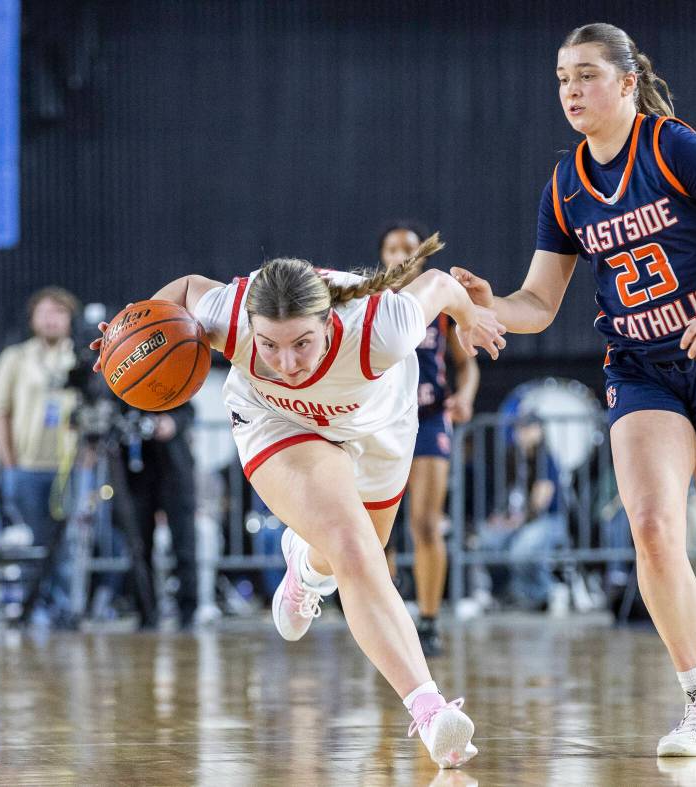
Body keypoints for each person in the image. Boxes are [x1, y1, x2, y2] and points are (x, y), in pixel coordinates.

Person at [450, 23, 696, 757]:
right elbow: (539, 302)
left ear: (627, 82)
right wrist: (488, 307)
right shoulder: (565, 185)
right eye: (562, 78)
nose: (571, 90)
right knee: (651, 524)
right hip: (642, 367)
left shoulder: (672, 146)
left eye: (586, 74)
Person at [91, 233, 504, 768]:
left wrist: (469, 317)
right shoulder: (231, 313)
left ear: (329, 322)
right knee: (356, 549)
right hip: (278, 422)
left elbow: (441, 284)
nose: (286, 363)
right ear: (251, 328)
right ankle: (430, 711)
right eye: (269, 346)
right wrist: (131, 331)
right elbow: (189, 288)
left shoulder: (383, 325)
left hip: (379, 425)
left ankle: (305, 567)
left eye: (302, 344)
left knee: (355, 548)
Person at [378, 222, 480, 656]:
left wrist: (466, 396)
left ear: (423, 256)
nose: (401, 252)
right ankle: (387, 616)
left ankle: (430, 621)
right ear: (382, 256)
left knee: (424, 522)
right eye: (393, 247)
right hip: (382, 422)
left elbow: (467, 363)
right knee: (379, 531)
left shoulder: (438, 306)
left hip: (430, 417)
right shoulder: (371, 301)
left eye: (409, 246)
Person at [0, 286, 81, 625]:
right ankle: (34, 607)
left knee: (68, 543)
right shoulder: (15, 358)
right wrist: (8, 461)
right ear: (32, 319)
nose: (52, 319)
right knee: (34, 541)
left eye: (59, 312)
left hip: (69, 467)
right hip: (26, 466)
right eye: (45, 312)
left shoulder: (80, 357)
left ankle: (65, 609)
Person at [476, 412, 566, 610]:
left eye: (528, 428)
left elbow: (541, 500)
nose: (522, 433)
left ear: (539, 430)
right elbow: (508, 494)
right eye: (519, 428)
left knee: (522, 549)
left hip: (547, 520)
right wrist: (501, 517)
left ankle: (546, 592)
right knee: (487, 539)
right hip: (518, 519)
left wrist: (518, 521)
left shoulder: (546, 458)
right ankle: (504, 592)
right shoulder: (512, 457)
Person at [123, 402, 198, 629]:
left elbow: (188, 410)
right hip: (136, 470)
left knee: (184, 543)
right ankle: (145, 612)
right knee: (139, 544)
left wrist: (172, 422)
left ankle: (188, 612)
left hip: (174, 468)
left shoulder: (173, 387)